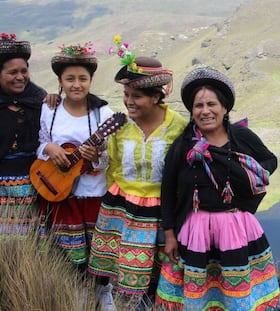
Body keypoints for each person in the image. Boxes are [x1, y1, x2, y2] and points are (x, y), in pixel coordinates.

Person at [156, 65, 280, 310]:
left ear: (224, 107)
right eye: (198, 106)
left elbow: (270, 160)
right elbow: (168, 190)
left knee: (235, 292)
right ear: (191, 111)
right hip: (195, 230)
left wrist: (253, 174)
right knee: (199, 291)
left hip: (236, 228)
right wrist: (170, 234)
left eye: (211, 104)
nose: (205, 111)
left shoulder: (241, 137)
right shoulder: (183, 146)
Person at [87, 37, 187, 310]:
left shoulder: (178, 127)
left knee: (155, 268)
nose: (129, 102)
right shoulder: (119, 126)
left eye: (137, 96)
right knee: (119, 266)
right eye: (126, 95)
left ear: (156, 97)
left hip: (160, 209)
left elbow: (182, 174)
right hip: (122, 206)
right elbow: (112, 165)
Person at [35, 42, 117, 310]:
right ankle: (80, 290)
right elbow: (40, 144)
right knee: (71, 249)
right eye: (69, 78)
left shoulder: (102, 114)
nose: (76, 84)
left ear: (91, 81)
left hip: (94, 192)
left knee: (98, 248)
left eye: (83, 78)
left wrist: (96, 158)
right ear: (60, 81)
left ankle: (104, 291)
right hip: (60, 192)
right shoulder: (51, 109)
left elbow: (108, 158)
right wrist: (50, 148)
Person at [0, 33, 47, 236]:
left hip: (34, 185)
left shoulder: (40, 101)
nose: (20, 77)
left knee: (32, 240)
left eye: (24, 71)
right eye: (12, 72)